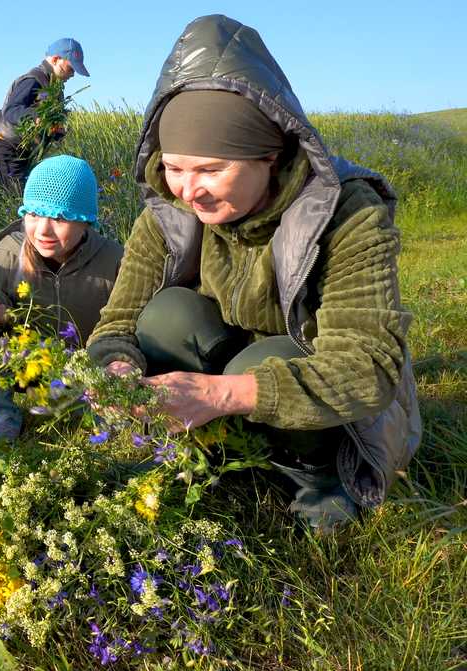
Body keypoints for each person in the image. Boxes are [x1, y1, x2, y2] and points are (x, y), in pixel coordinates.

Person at [86, 15, 421, 532]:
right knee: (167, 316)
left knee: (267, 357)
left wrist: (218, 395)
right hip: (232, 368)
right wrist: (119, 373)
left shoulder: (346, 211)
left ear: (270, 155)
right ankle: (218, 447)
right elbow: (118, 322)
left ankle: (317, 474)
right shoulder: (168, 215)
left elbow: (367, 368)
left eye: (211, 169)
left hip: (319, 392)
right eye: (175, 167)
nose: (187, 190)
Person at [0, 154, 122, 439]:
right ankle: (1, 410)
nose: (43, 230)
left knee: (90, 413)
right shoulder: (11, 250)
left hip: (82, 368)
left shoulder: (112, 260)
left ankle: (96, 408)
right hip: (24, 361)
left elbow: (128, 320)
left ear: (86, 221)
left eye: (60, 218)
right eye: (35, 214)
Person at [0, 37, 90, 193]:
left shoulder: (54, 87)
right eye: (71, 68)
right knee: (20, 203)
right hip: (9, 152)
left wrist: (55, 131)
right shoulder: (33, 80)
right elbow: (11, 110)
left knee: (27, 202)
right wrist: (36, 116)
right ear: (56, 59)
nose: (73, 75)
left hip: (27, 154)